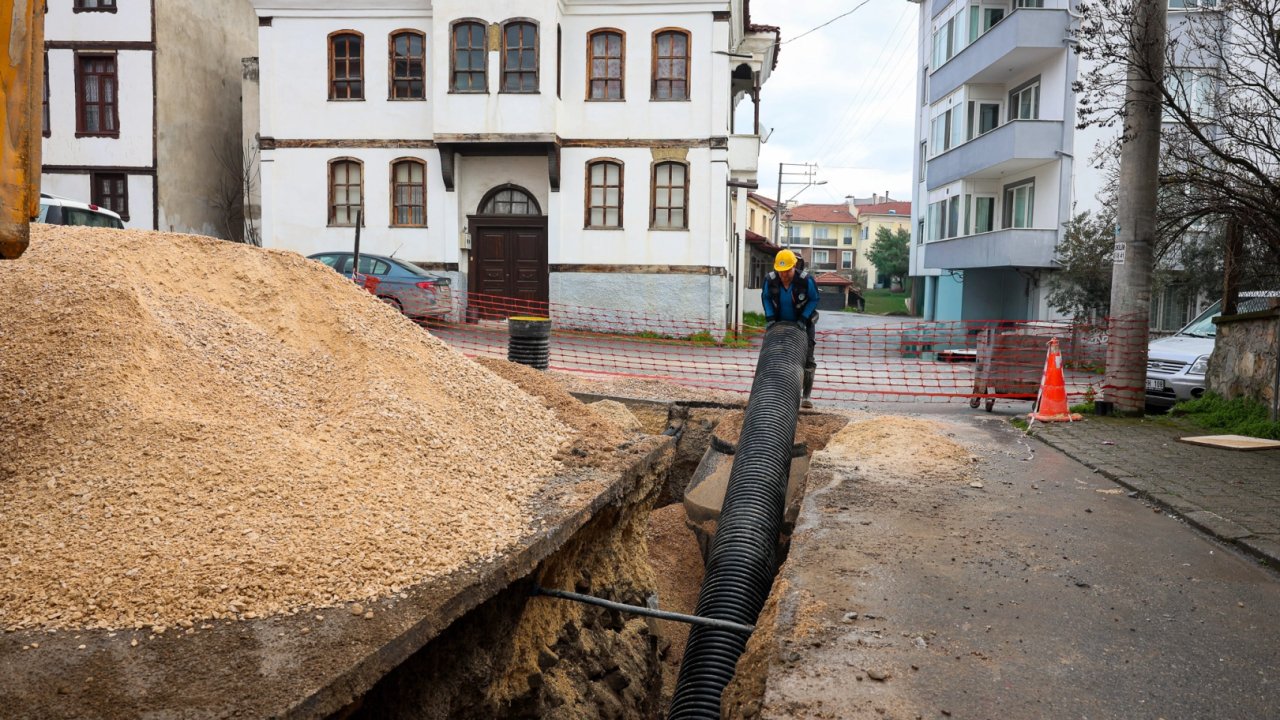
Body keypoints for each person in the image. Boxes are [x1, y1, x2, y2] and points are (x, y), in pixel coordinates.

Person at [761, 249, 820, 408]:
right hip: (779, 324)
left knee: (808, 359)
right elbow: (766, 297)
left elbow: (814, 299)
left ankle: (806, 396)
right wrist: (770, 316)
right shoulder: (771, 280)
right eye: (780, 271)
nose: (783, 275)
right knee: (774, 357)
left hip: (803, 324)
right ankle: (775, 393)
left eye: (787, 271)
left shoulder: (805, 280)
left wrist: (804, 317)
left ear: (794, 266)